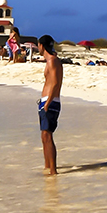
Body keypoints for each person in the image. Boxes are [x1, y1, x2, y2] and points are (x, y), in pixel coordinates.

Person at [34, 34, 63, 176]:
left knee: (47, 135)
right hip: (45, 101)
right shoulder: (50, 60)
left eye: (38, 45)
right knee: (44, 136)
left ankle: (53, 171)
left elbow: (56, 83)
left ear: (41, 46)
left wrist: (48, 102)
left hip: (50, 102)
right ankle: (47, 167)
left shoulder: (53, 61)